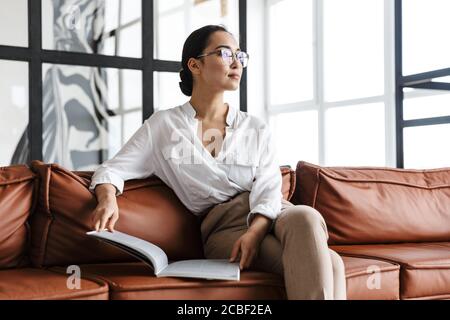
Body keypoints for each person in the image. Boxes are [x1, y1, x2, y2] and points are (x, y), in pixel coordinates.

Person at [89, 24, 346, 300]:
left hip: (273, 212)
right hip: (224, 228)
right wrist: (107, 199)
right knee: (331, 263)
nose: (236, 63)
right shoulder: (163, 126)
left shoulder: (254, 127)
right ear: (195, 65)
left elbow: (270, 188)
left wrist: (257, 232)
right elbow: (111, 170)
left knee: (306, 215)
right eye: (225, 54)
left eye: (240, 56)